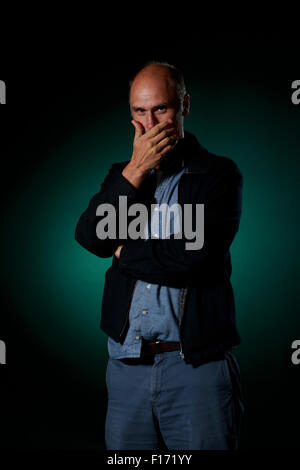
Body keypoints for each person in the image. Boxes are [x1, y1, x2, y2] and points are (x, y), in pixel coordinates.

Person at [75, 61, 244, 450]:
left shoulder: (217, 175)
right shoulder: (123, 176)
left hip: (196, 366)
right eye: (139, 111)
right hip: (126, 367)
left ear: (184, 105)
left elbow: (193, 259)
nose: (150, 124)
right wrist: (135, 170)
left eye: (161, 109)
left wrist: (122, 251)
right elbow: (89, 236)